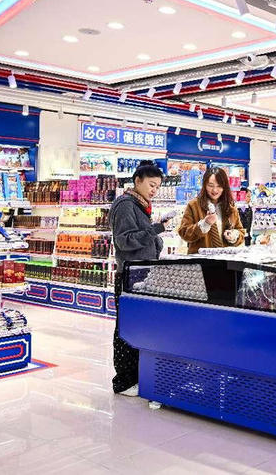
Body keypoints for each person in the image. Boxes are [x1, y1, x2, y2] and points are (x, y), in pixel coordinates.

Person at [108, 161, 177, 397]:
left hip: (142, 273)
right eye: (151, 185)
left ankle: (137, 376)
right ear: (137, 181)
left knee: (138, 326)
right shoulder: (126, 204)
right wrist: (155, 230)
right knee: (127, 327)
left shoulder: (140, 205)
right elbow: (124, 241)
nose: (154, 190)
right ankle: (124, 381)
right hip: (130, 275)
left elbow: (143, 239)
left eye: (157, 186)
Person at [178, 167, 246, 254]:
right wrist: (204, 224)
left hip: (226, 261)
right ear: (204, 185)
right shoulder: (194, 205)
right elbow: (184, 233)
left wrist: (234, 236)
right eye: (210, 186)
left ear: (225, 187)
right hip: (201, 262)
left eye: (219, 186)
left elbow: (240, 232)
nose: (214, 190)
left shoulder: (230, 207)